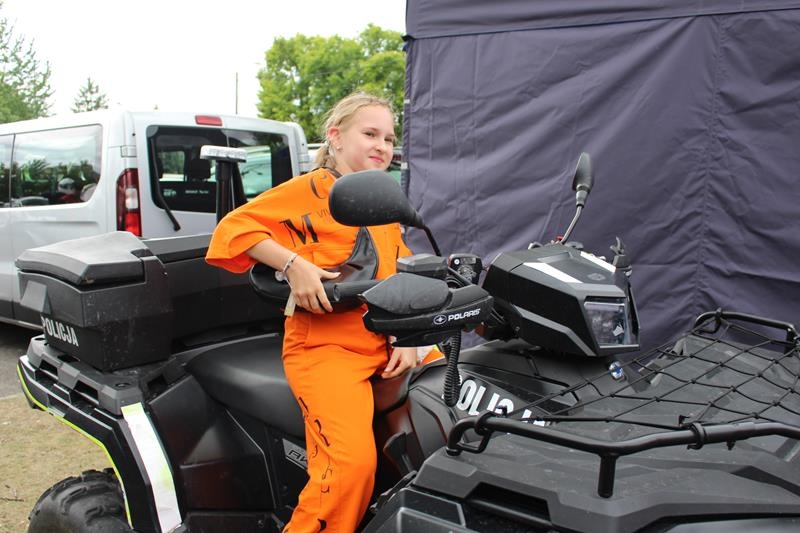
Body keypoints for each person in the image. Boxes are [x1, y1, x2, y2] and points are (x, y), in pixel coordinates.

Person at [205, 91, 438, 532]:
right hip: (328, 349)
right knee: (349, 470)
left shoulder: (380, 201)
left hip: (389, 343)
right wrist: (292, 265)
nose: (382, 146)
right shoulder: (310, 190)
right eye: (370, 134)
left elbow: (401, 272)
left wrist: (414, 337)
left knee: (462, 424)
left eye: (389, 138)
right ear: (336, 136)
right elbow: (231, 230)